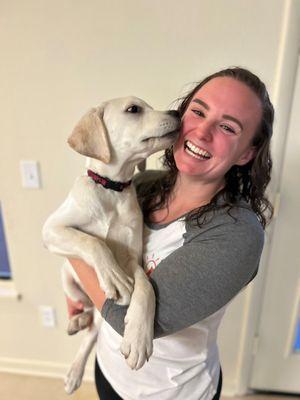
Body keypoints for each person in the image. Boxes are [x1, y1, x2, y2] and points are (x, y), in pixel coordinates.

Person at [67, 67, 274, 400]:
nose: (203, 132)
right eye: (198, 111)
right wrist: (81, 289)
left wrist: (71, 246)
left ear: (247, 153)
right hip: (108, 370)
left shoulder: (237, 234)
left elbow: (125, 319)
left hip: (170, 392)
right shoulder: (140, 187)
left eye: (227, 127)